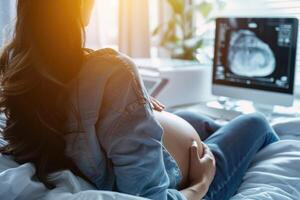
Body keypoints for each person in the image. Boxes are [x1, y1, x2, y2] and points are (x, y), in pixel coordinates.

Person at [0, 1, 279, 200]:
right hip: (186, 178)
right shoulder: (113, 70)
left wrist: (134, 103)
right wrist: (202, 184)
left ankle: (209, 131)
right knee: (257, 122)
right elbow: (149, 196)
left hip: (132, 150)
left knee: (195, 119)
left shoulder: (22, 65)